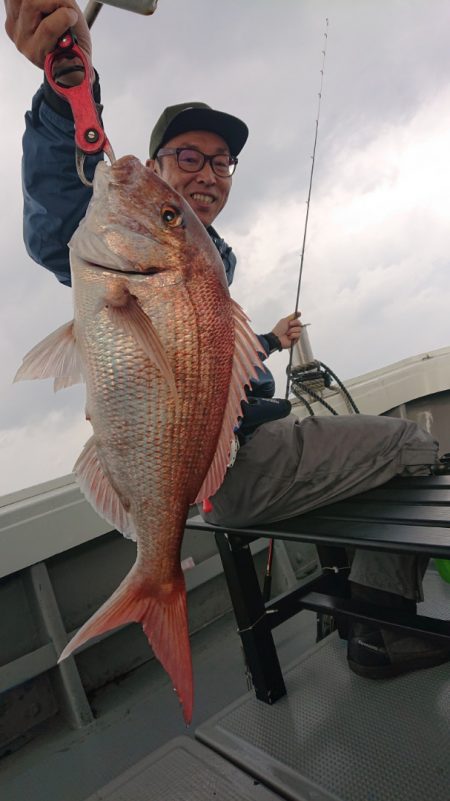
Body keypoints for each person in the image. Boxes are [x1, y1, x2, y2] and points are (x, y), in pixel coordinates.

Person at [5, 0, 450, 679]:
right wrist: (65, 89)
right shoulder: (141, 249)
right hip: (234, 466)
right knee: (412, 441)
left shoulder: (210, 260)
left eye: (223, 163)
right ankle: (381, 628)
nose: (208, 174)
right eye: (188, 158)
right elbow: (61, 211)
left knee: (366, 458)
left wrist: (269, 338)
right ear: (156, 165)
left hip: (220, 455)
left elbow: (213, 368)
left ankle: (365, 605)